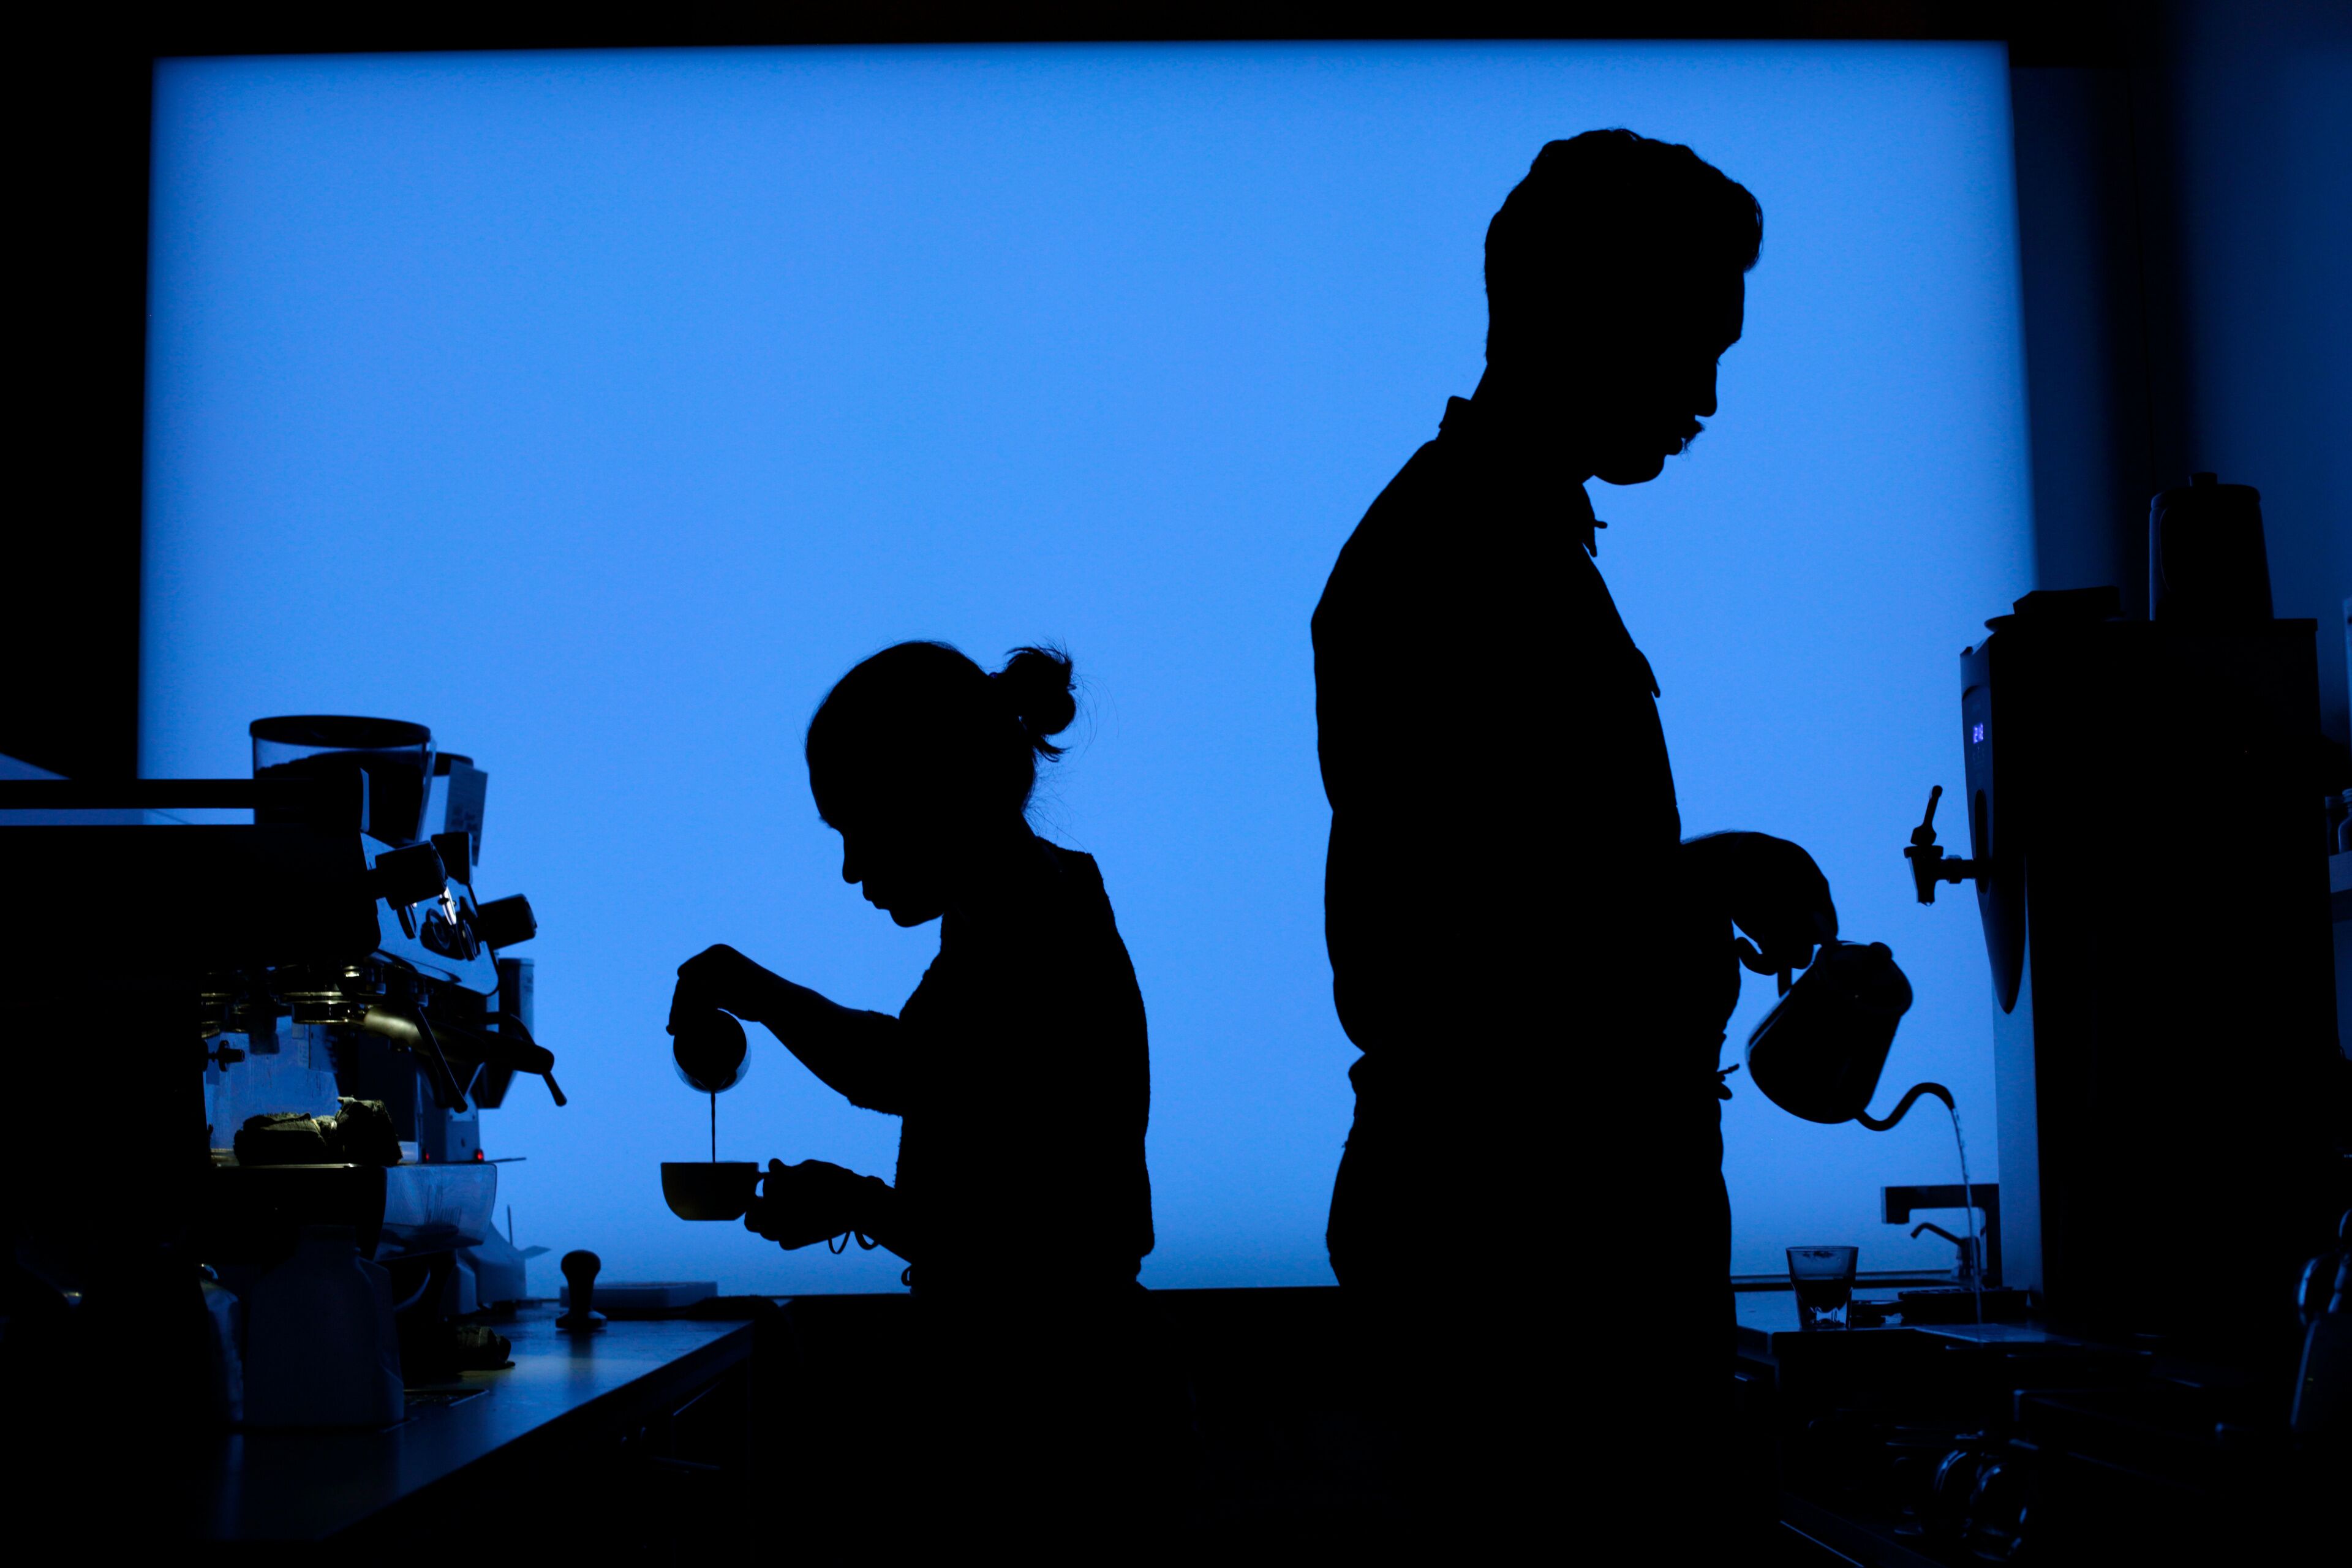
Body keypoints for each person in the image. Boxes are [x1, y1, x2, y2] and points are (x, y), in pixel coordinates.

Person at [1313, 130, 1839, 1541]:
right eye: (1689, 343)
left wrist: (1683, 883)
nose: (1711, 396)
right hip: (1528, 1273)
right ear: (1573, 314)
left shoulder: (1494, 543)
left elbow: (1502, 892)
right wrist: (1695, 885)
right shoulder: (1455, 560)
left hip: (1526, 1259)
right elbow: (1441, 960)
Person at [667, 641, 1164, 1538]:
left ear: (932, 793)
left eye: (858, 825)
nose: (854, 868)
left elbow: (1034, 1227)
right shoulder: (1026, 909)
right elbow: (944, 1085)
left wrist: (858, 1199)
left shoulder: (1034, 928)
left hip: (1058, 1396)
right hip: (1071, 1375)